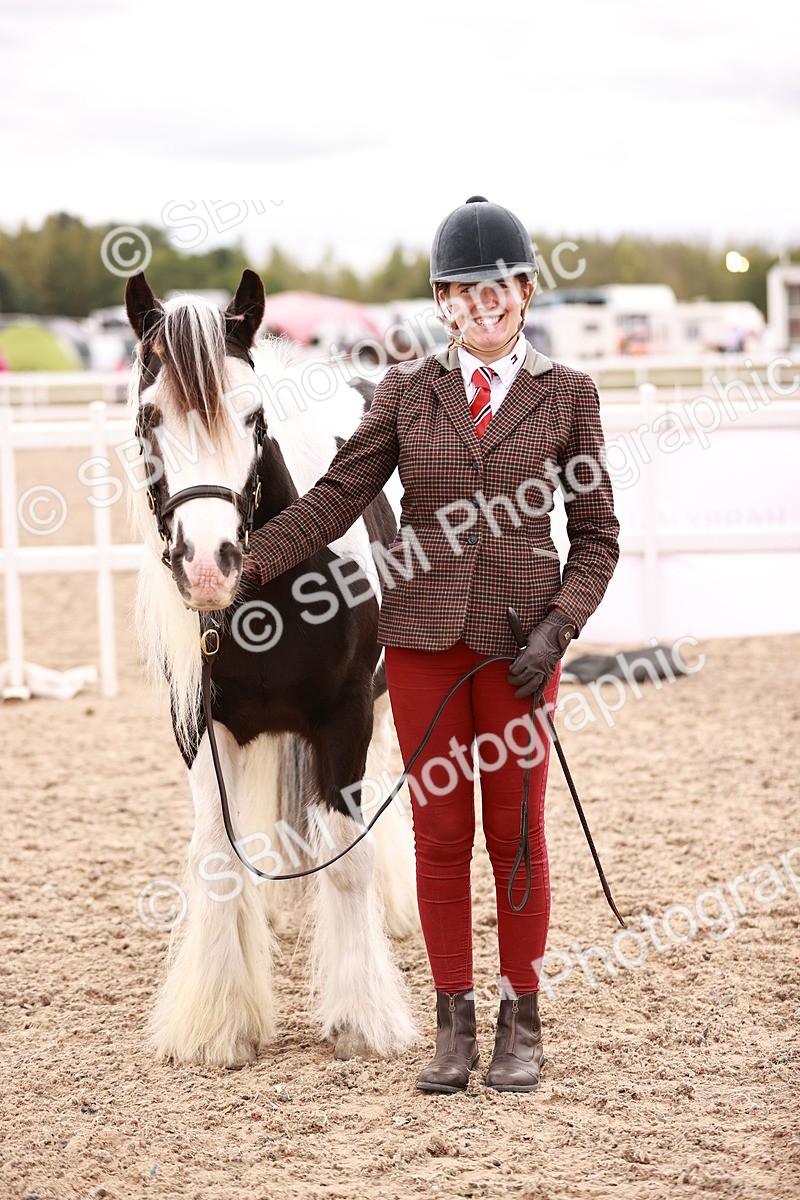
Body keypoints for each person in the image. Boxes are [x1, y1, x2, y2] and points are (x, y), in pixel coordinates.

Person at [245, 196, 620, 1094]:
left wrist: (559, 625)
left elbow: (598, 535)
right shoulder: (407, 391)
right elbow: (339, 495)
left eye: (497, 286)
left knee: (518, 834)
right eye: (461, 290)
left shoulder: (569, 396)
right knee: (442, 832)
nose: (480, 303)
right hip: (420, 648)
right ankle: (453, 1020)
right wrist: (252, 560)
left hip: (521, 650)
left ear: (525, 292)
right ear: (442, 302)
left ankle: (519, 1015)